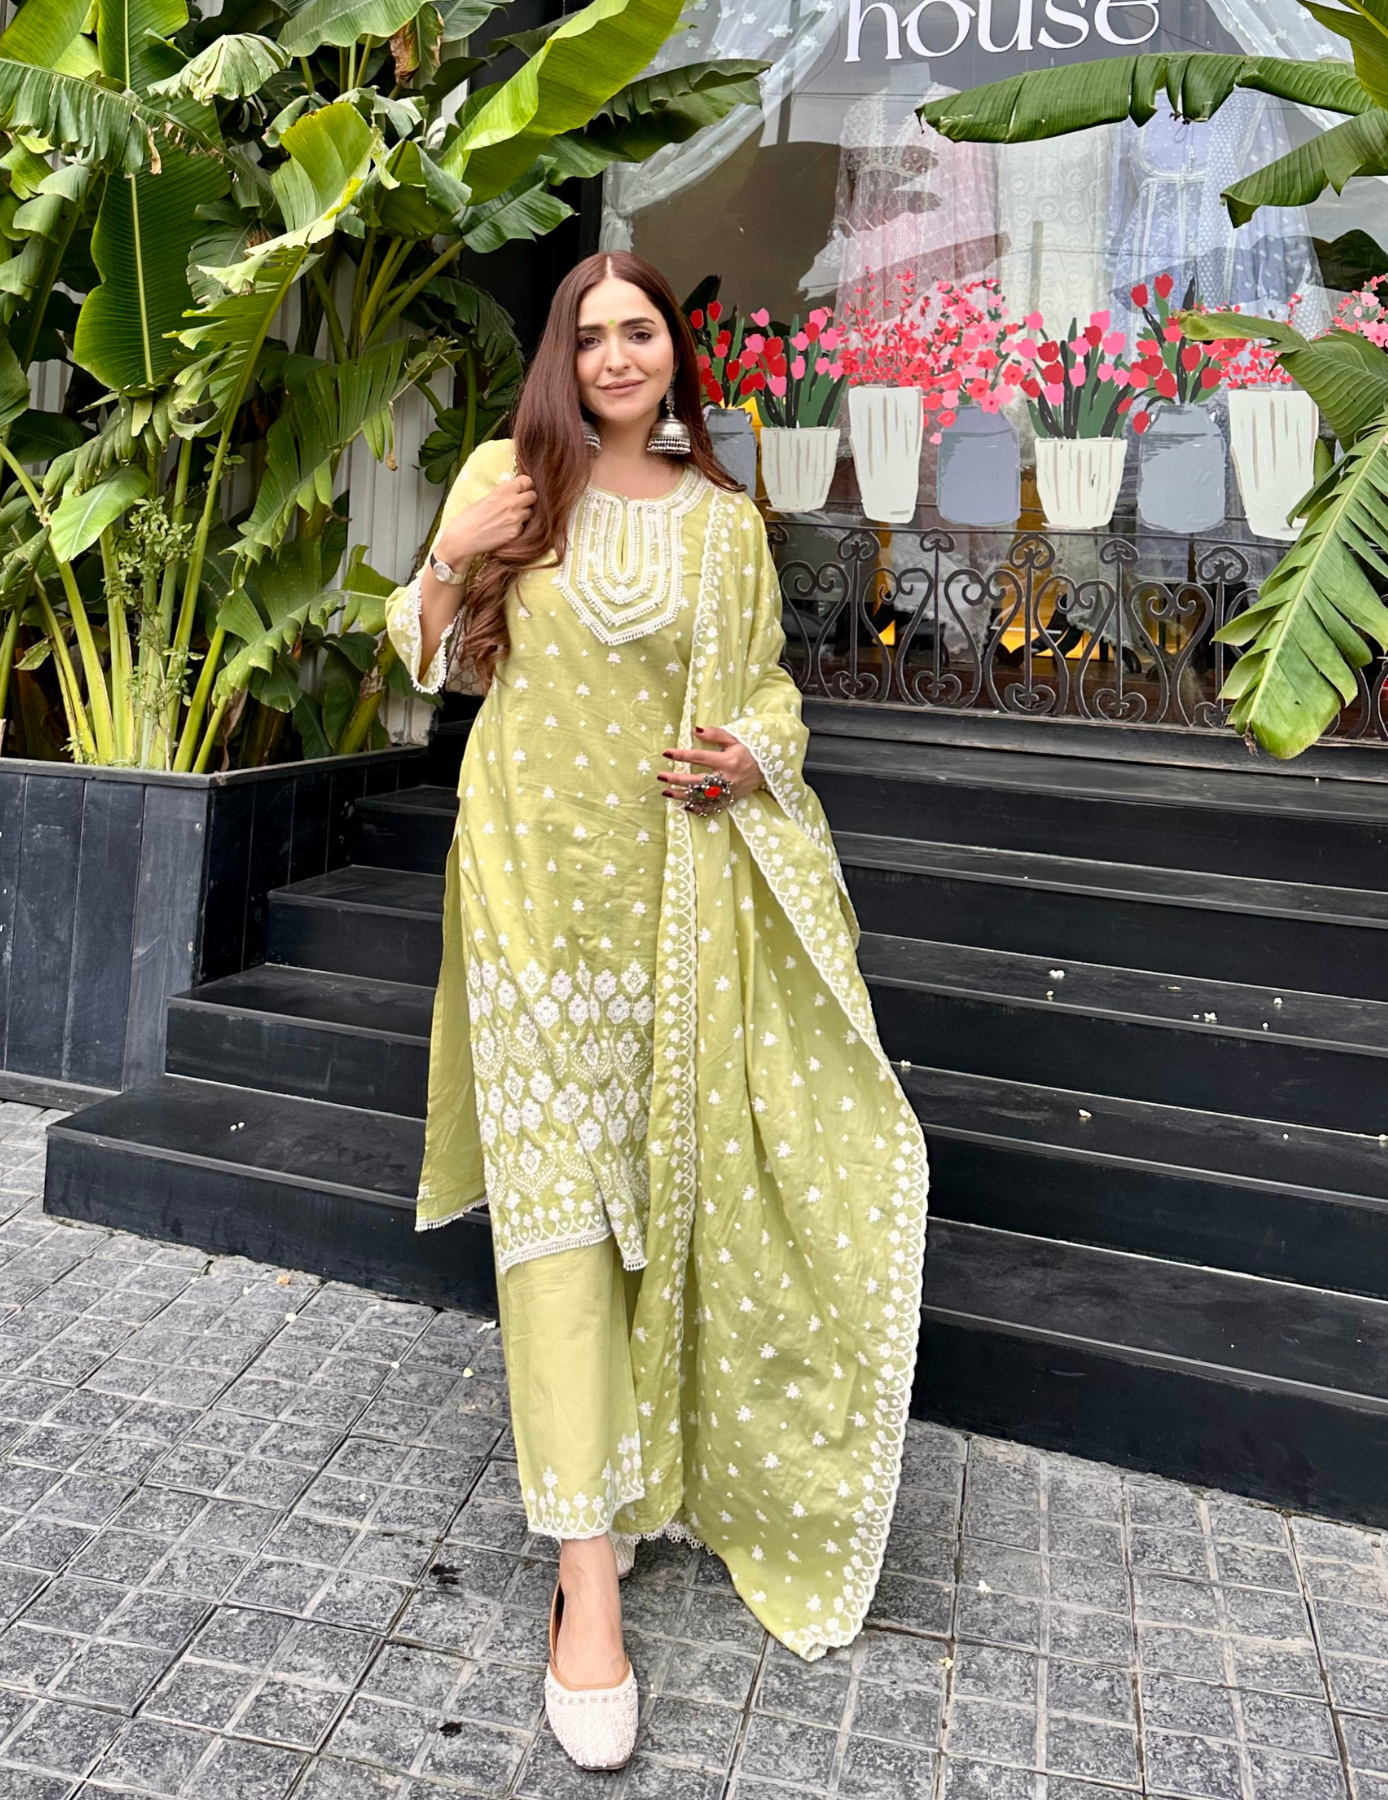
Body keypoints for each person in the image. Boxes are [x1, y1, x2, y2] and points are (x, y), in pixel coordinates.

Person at [384, 251, 928, 1772]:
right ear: (561, 358)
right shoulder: (508, 482)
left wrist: (756, 757)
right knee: (555, 1214)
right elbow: (420, 660)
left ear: (676, 357)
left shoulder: (723, 526)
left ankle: (630, 1471)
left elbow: (765, 695)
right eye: (591, 334)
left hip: (671, 910)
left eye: (641, 332)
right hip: (523, 897)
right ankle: (585, 1581)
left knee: (654, 1189)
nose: (617, 355)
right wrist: (450, 556)